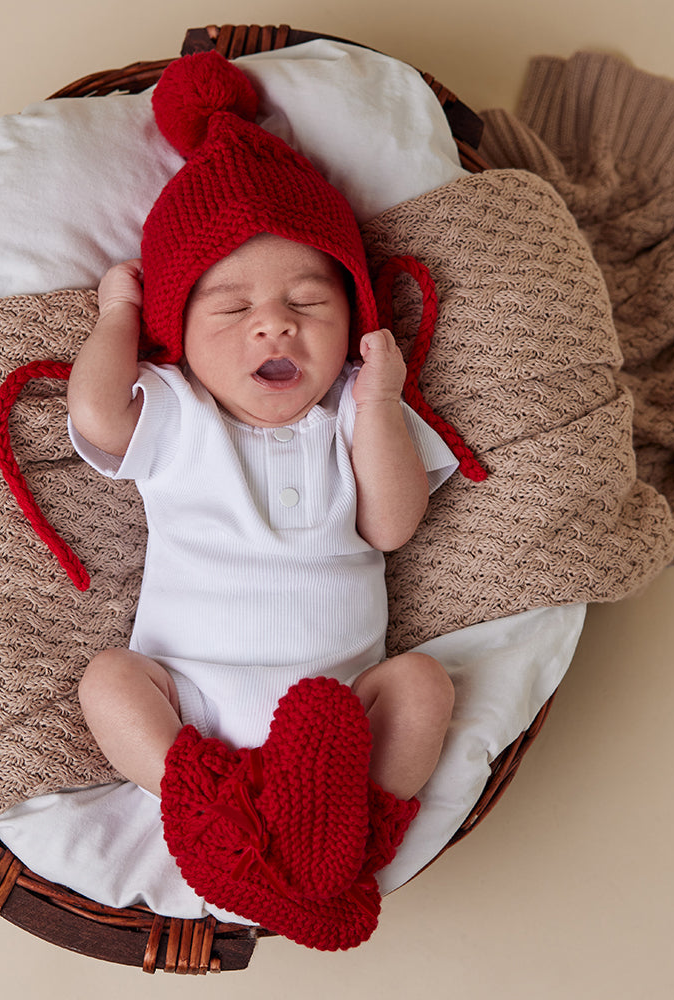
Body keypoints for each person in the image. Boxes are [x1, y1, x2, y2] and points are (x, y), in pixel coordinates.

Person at [65, 50, 459, 951]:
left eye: (307, 302)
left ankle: (352, 838)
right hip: (194, 705)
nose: (272, 323)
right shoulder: (176, 416)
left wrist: (381, 401)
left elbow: (392, 524)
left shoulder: (348, 421)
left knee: (424, 686)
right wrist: (117, 317)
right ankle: (208, 814)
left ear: (353, 325)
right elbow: (94, 407)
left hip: (339, 728)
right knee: (110, 682)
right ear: (180, 342)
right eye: (231, 307)